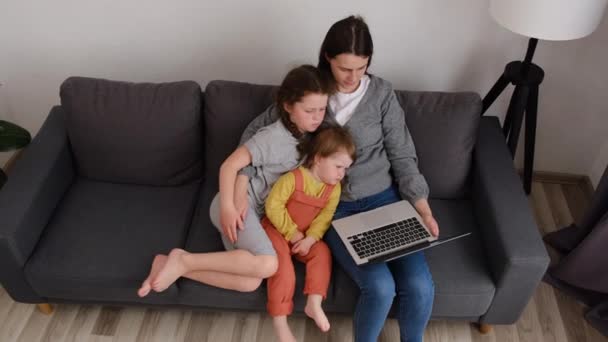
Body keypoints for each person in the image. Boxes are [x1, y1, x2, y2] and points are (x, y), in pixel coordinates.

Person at [238, 15, 440, 342]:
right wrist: (241, 185)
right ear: (328, 58)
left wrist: (423, 208)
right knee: (380, 287)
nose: (353, 77)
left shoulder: (383, 94)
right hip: (333, 210)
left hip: (385, 201)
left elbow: (403, 156)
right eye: (345, 68)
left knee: (420, 286)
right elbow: (253, 134)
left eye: (362, 67)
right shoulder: (310, 90)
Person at [137, 64, 333, 297]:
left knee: (249, 283)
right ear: (288, 106)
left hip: (254, 213)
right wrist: (229, 207)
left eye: (322, 109)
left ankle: (175, 265)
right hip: (234, 205)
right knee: (269, 264)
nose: (317, 118)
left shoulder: (309, 136)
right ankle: (182, 259)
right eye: (310, 110)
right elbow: (229, 165)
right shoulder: (272, 137)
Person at [263, 126, 355, 342]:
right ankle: (280, 324)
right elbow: (273, 206)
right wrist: (293, 234)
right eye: (338, 166)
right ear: (318, 159)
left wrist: (311, 239)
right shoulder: (293, 179)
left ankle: (314, 303)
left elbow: (325, 216)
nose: (342, 174)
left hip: (305, 237)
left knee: (322, 253)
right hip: (276, 231)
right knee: (283, 268)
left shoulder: (334, 188)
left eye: (346, 169)